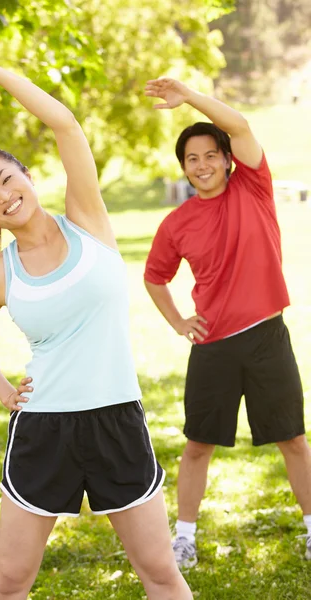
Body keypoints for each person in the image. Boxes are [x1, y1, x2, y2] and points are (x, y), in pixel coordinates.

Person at [0, 54, 193, 600]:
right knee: (11, 580)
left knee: (161, 574)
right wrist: (3, 391)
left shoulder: (88, 220)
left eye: (6, 179)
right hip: (43, 429)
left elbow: (65, 124)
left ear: (27, 174)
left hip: (117, 418)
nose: (3, 195)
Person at [143, 77, 311, 569]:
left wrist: (190, 97)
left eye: (210, 155)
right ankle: (185, 538)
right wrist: (178, 322)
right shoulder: (177, 223)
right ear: (184, 169)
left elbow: (238, 124)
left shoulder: (253, 186)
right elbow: (155, 278)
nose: (202, 165)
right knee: (197, 446)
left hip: (266, 338)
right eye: (191, 159)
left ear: (228, 159)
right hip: (212, 346)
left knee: (294, 441)